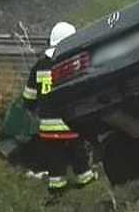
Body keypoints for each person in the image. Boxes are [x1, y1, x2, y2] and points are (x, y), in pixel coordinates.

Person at [23, 22, 98, 191]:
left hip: (48, 131)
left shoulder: (39, 66)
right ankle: (85, 184)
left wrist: (31, 109)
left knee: (55, 164)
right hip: (72, 125)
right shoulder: (76, 62)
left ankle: (57, 191)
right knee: (80, 158)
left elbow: (29, 96)